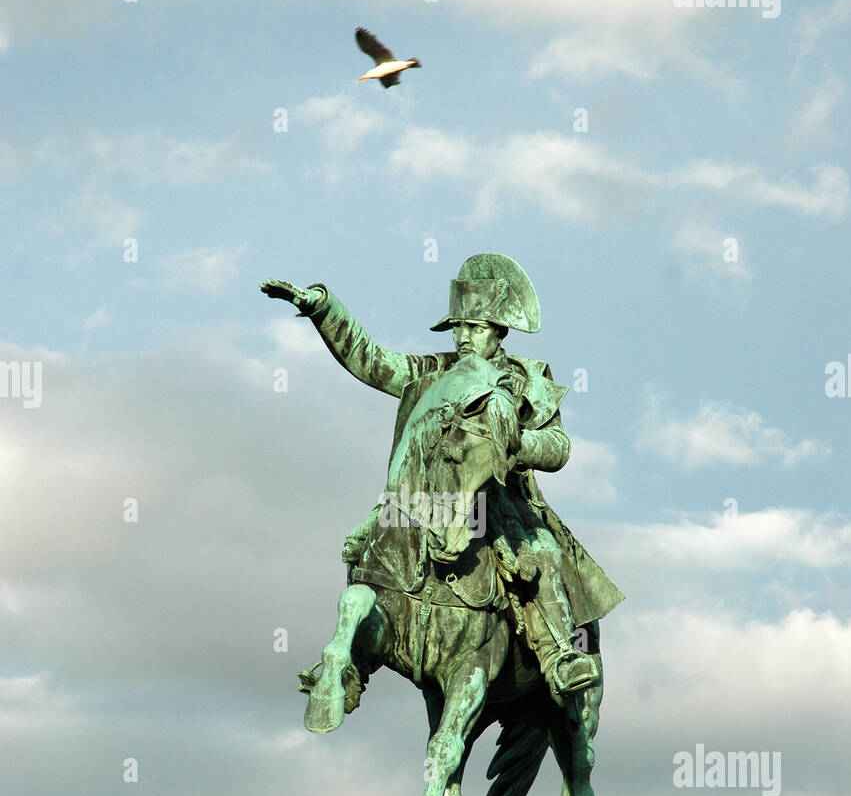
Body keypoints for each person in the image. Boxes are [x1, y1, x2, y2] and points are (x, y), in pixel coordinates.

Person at [260, 253, 623, 707]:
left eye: (475, 327)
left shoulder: (528, 382)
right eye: (459, 326)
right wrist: (321, 308)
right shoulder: (435, 373)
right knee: (370, 547)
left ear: (498, 331)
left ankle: (560, 658)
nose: (464, 336)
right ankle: (349, 661)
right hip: (427, 496)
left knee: (545, 553)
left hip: (496, 498)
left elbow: (559, 447)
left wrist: (516, 443)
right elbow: (373, 360)